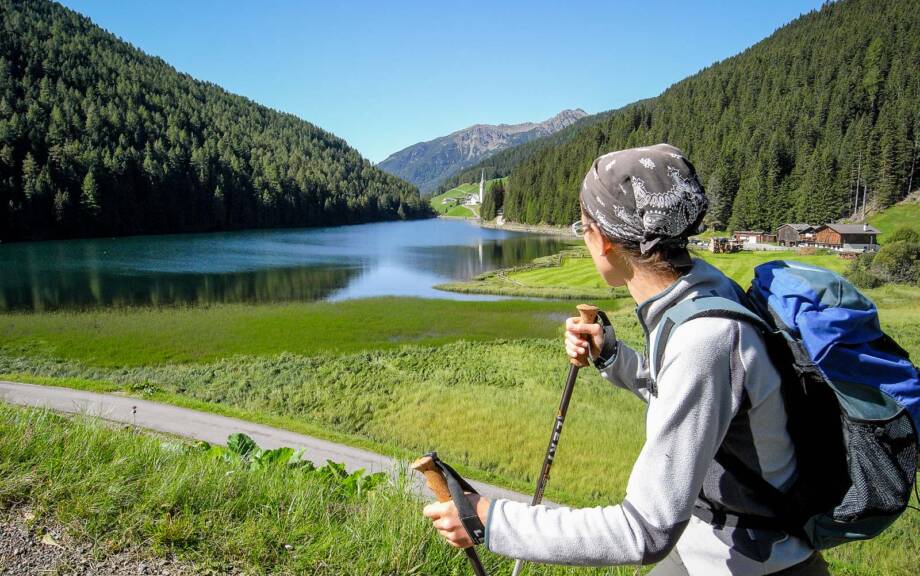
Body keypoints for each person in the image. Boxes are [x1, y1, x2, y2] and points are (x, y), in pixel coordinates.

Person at [423, 144, 831, 575]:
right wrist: (612, 356)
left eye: (583, 227)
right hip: (706, 539)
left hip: (753, 563)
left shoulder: (705, 337)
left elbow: (644, 531)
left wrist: (492, 520)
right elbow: (689, 397)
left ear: (603, 240)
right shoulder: (702, 291)